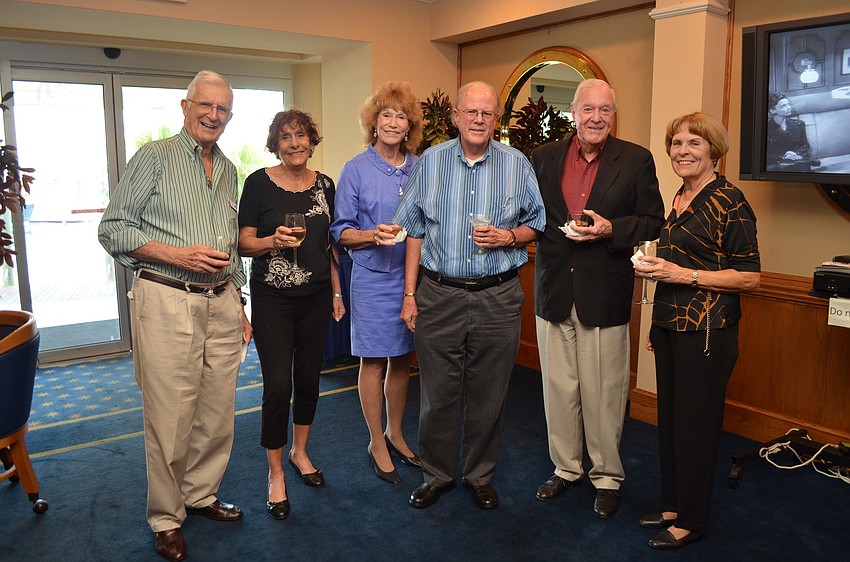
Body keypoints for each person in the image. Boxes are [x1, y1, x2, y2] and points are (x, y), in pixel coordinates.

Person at [98, 70, 252, 562]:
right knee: (169, 417)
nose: (213, 115)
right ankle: (166, 518)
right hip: (167, 298)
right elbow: (113, 229)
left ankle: (200, 495)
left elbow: (229, 242)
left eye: (222, 109)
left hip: (222, 302)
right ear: (186, 107)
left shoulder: (228, 170)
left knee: (217, 413)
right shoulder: (155, 158)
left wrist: (239, 300)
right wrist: (176, 255)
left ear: (229, 116)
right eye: (204, 105)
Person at [394, 81, 546, 510]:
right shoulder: (430, 162)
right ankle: (437, 475)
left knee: (490, 395)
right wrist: (410, 294)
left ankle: (480, 476)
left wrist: (509, 236)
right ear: (457, 116)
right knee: (438, 395)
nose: (479, 120)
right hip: (439, 295)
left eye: (488, 113)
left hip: (498, 297)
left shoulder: (518, 164)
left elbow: (538, 223)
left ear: (496, 120)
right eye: (471, 112)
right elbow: (414, 231)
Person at [530, 78, 664, 519]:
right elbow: (531, 215)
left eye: (605, 110)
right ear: (574, 111)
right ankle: (565, 468)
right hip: (553, 289)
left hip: (604, 291)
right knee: (558, 389)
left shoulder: (637, 160)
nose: (596, 118)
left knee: (605, 394)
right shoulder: (544, 158)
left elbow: (653, 221)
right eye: (588, 109)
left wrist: (611, 229)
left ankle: (606, 476)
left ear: (613, 115)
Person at [634, 112, 760, 550]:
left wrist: (682, 275)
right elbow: (669, 269)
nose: (683, 151)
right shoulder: (679, 196)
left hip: (708, 331)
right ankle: (672, 505)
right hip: (672, 326)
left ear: (713, 151)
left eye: (694, 143)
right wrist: (658, 322)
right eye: (676, 143)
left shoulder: (730, 201)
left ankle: (692, 519)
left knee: (696, 427)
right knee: (669, 422)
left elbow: (749, 277)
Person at [237, 109, 345, 521]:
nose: (295, 142)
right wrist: (271, 241)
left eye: (302, 135)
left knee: (309, 380)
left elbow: (329, 245)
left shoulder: (325, 185)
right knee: (278, 386)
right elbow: (244, 243)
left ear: (312, 140)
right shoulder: (259, 184)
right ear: (276, 144)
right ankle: (275, 472)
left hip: (316, 297)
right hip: (274, 300)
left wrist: (337, 292)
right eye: (286, 137)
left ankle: (301, 452)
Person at [331, 82, 424, 485]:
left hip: (411, 278)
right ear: (374, 122)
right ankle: (376, 441)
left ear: (409, 126)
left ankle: (396, 432)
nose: (392, 122)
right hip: (370, 278)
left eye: (400, 116)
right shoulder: (355, 168)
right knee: (373, 360)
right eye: (385, 114)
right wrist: (373, 234)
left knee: (402, 358)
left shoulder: (420, 167)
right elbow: (340, 232)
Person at [766, 92, 817, 171]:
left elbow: (805, 145)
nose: (789, 107)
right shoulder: (766, 129)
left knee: (803, 168)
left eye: (788, 104)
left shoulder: (799, 124)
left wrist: (794, 153)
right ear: (773, 110)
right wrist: (783, 156)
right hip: (777, 164)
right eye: (783, 106)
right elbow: (766, 153)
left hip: (797, 160)